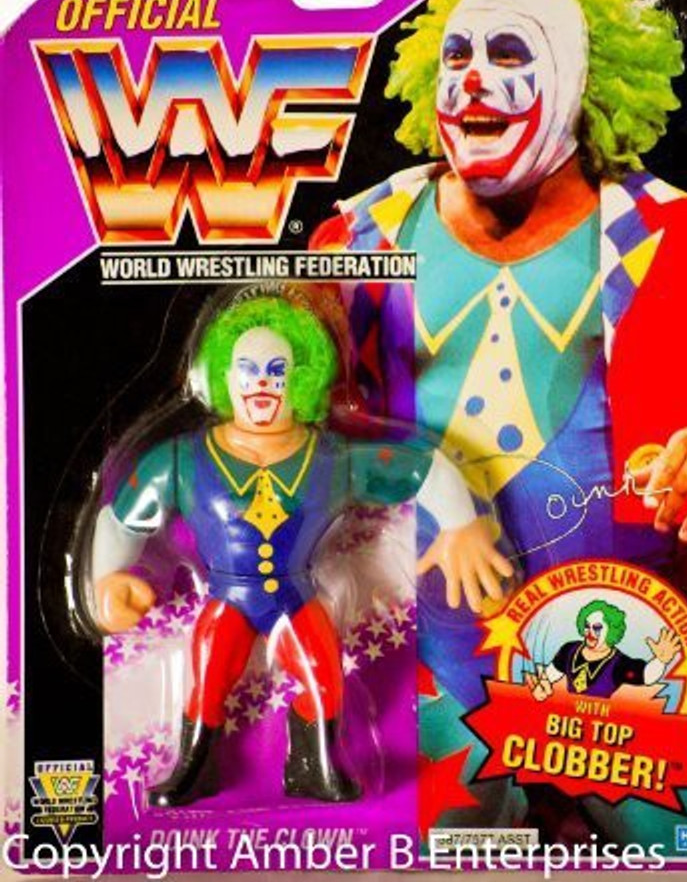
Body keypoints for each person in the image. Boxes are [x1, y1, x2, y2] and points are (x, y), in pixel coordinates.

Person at [312, 0, 687, 848]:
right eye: (455, 57)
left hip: (618, 662)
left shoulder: (673, 236)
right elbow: (310, 429)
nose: (473, 81)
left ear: (579, 79)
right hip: (423, 667)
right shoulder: (362, 237)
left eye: (509, 53)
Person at [90, 294, 505, 807]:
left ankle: (314, 764)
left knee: (323, 677)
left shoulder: (330, 459)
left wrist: (462, 526)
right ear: (224, 378)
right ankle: (193, 767)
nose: (261, 384)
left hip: (295, 596)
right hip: (228, 598)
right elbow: (121, 518)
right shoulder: (185, 458)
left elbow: (421, 468)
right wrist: (107, 578)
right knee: (209, 679)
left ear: (301, 380)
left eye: (276, 371)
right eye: (247, 370)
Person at [527, 599, 682, 700]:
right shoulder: (569, 650)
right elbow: (548, 677)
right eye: (587, 626)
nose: (590, 632)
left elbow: (646, 676)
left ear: (612, 630)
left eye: (597, 628)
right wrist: (540, 690)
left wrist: (660, 661)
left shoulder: (619, 663)